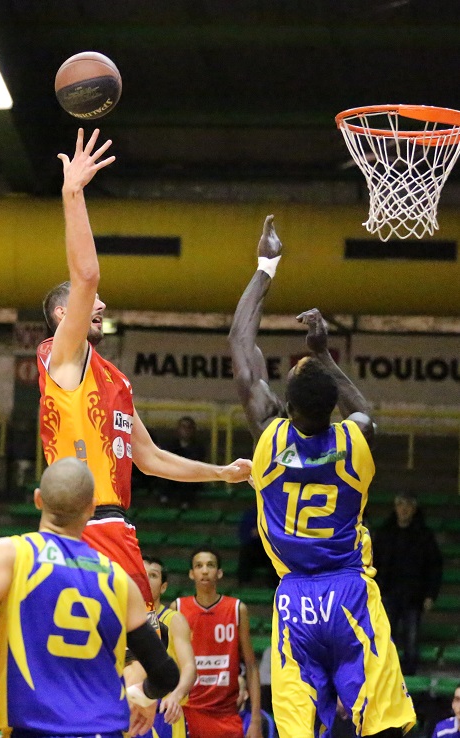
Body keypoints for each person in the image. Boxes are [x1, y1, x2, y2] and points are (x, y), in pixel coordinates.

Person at [36, 128, 252, 622]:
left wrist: (221, 472)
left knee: (140, 670)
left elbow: (150, 458)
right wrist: (72, 193)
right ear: (63, 313)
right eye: (87, 305)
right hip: (78, 527)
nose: (101, 306)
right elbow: (88, 276)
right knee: (124, 659)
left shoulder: (113, 378)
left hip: (118, 528)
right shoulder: (60, 357)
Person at [228, 215, 416, 738]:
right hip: (353, 592)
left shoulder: (268, 433)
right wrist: (325, 355)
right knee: (379, 727)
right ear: (334, 408)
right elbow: (366, 413)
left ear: (284, 404)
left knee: (300, 727)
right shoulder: (356, 439)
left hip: (296, 601)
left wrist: (266, 266)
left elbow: (241, 343)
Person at [0, 457, 180, 737]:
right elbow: (165, 675)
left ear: (38, 500)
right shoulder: (119, 580)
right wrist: (143, 697)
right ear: (91, 509)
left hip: (33, 727)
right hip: (103, 728)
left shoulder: (12, 555)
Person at [171, 549, 263, 738]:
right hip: (188, 712)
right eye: (199, 566)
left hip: (226, 715)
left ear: (219, 573)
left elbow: (252, 666)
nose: (204, 571)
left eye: (210, 565)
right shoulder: (178, 608)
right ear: (191, 574)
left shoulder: (237, 609)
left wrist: (255, 719)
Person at [373, 492, 443, 675]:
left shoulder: (424, 536)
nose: (403, 509)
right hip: (389, 594)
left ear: (414, 509)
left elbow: (434, 567)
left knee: (412, 641)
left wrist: (430, 595)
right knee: (387, 638)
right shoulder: (384, 533)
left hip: (414, 596)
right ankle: (387, 675)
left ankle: (409, 678)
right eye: (400, 504)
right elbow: (374, 563)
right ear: (395, 507)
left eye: (408, 505)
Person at [141, 555, 197, 738]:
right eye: (141, 573)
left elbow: (189, 667)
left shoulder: (173, 620)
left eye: (153, 575)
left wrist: (177, 695)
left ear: (164, 587)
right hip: (128, 711)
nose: (145, 578)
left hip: (163, 714)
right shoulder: (119, 618)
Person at [159, 416, 206, 509]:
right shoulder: (171, 445)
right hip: (173, 475)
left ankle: (186, 503)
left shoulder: (198, 447)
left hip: (190, 477)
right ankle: (164, 499)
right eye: (183, 427)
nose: (186, 430)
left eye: (188, 427)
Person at [238, 504, 277, 588]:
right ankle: (243, 585)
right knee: (245, 552)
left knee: (277, 554)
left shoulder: (277, 511)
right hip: (257, 547)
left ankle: (274, 586)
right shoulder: (252, 513)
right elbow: (245, 535)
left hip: (273, 548)